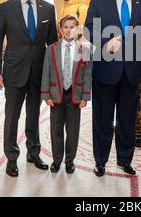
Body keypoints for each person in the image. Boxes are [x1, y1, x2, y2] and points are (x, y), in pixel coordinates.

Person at [84, 0, 141, 177]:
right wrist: (106, 43)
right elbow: (87, 31)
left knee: (127, 119)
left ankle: (125, 159)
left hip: (132, 72)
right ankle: (101, 161)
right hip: (105, 70)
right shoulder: (98, 2)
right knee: (102, 119)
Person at [0, 0, 58, 177]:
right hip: (13, 71)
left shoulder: (48, 8)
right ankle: (11, 157)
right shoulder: (6, 8)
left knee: (34, 114)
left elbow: (53, 44)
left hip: (38, 72)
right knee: (12, 116)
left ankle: (33, 153)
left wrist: (53, 74)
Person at [41, 15, 92, 174]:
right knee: (55, 129)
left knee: (73, 130)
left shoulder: (84, 50)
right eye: (65, 27)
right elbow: (46, 72)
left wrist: (85, 96)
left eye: (72, 27)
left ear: (77, 30)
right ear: (60, 29)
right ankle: (57, 160)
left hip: (74, 96)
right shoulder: (51, 49)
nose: (69, 30)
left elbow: (87, 75)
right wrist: (46, 94)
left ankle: (70, 161)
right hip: (56, 95)